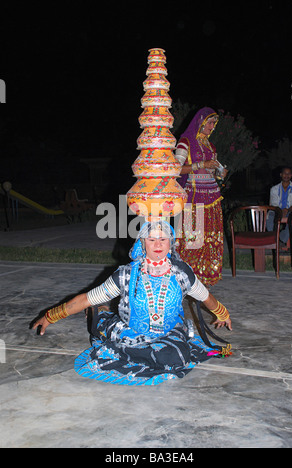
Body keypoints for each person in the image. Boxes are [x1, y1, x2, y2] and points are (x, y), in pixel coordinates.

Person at [33, 220, 232, 386]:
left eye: (163, 239)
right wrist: (51, 316)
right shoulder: (126, 274)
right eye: (151, 239)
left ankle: (121, 327)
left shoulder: (181, 273)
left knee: (176, 358)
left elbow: (204, 295)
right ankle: (99, 312)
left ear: (170, 242)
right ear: (142, 242)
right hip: (132, 333)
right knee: (104, 329)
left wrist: (222, 313)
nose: (158, 244)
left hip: (170, 333)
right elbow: (86, 298)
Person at [174, 107, 227, 287]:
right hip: (192, 199)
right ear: (201, 122)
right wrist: (200, 164)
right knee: (192, 240)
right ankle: (187, 278)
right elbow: (175, 170)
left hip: (212, 198)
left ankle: (204, 278)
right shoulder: (185, 142)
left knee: (209, 238)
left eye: (214, 123)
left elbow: (212, 172)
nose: (213, 127)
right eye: (210, 123)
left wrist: (220, 173)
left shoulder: (210, 146)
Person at [266, 166, 292, 244]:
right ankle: (273, 240)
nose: (286, 175)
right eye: (285, 173)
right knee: (269, 217)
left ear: (291, 175)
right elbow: (273, 203)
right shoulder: (274, 189)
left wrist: (287, 210)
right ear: (281, 174)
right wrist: (280, 211)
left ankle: (282, 238)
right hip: (277, 210)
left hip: (290, 210)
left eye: (289, 174)